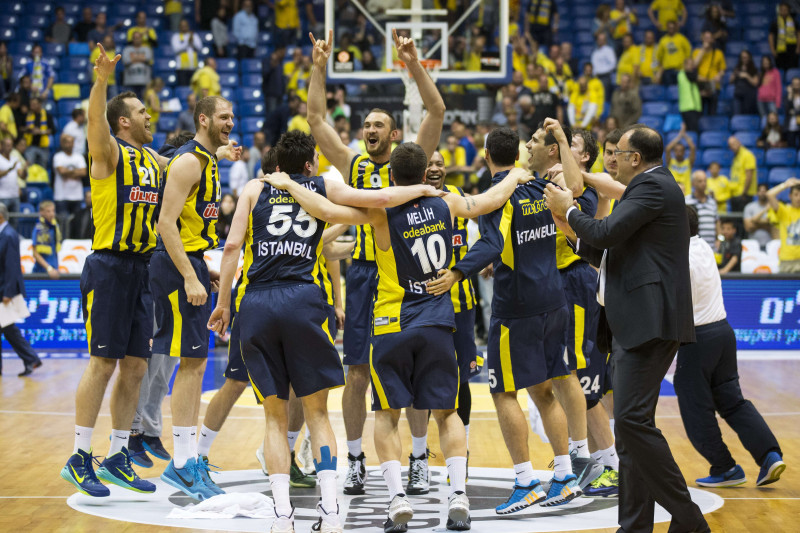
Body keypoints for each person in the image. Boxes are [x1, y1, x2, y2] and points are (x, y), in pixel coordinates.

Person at [267, 139, 532, 531]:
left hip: (392, 322)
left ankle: (396, 500)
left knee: (387, 414)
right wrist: (518, 174)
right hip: (437, 319)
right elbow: (489, 202)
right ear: (426, 175)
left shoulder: (381, 211)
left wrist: (288, 185)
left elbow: (323, 209)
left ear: (391, 176)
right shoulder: (447, 202)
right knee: (446, 412)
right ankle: (457, 495)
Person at [210, 131, 450, 532]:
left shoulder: (254, 187)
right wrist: (424, 188)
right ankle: (331, 511)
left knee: (273, 417)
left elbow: (231, 247)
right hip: (303, 299)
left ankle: (283, 515)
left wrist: (223, 304)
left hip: (257, 301)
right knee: (317, 412)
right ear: (308, 164)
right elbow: (381, 200)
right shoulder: (323, 185)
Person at [545, 125, 709, 533]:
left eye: (617, 151)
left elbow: (606, 232)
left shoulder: (652, 188)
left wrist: (569, 209)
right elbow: (608, 253)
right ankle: (635, 526)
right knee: (631, 433)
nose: (611, 158)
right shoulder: (645, 191)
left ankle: (689, 520)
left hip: (649, 323)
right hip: (635, 322)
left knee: (633, 423)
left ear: (636, 158)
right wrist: (570, 230)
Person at [306, 29, 446, 496]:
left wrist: (413, 63)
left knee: (414, 376)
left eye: (378, 125)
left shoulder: (411, 161)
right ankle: (354, 459)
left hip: (410, 281)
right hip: (367, 278)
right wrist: (318, 64)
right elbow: (316, 117)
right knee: (356, 373)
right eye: (366, 125)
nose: (370, 130)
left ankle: (420, 457)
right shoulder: (351, 164)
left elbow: (436, 110)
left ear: (394, 134)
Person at [430, 125, 584, 513]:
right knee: (544, 389)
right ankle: (564, 476)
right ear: (516, 154)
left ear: (485, 157)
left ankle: (525, 480)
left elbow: (493, 242)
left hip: (518, 307)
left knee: (502, 392)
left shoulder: (499, 194)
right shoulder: (538, 187)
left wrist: (458, 271)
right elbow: (536, 234)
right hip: (554, 299)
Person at [60, 45, 161, 499]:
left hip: (143, 269)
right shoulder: (110, 154)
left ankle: (118, 454)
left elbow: (186, 163)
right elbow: (94, 127)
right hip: (109, 266)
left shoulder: (153, 161)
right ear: (124, 120)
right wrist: (100, 81)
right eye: (141, 111)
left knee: (136, 366)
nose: (148, 116)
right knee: (103, 363)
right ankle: (80, 456)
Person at [151, 94, 239, 500]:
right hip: (174, 267)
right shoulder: (189, 162)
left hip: (193, 262)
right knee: (190, 364)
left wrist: (207, 269)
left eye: (233, 116)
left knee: (194, 361)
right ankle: (183, 464)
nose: (230, 122)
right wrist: (190, 275)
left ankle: (185, 461)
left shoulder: (208, 161)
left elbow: (188, 225)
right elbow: (165, 225)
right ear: (203, 118)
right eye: (223, 117)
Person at [676, 205, 785, 487]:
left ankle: (725, 468)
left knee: (694, 407)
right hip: (724, 332)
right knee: (733, 402)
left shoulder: (679, 259)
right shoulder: (702, 248)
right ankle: (770, 454)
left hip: (698, 339)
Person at [0, 203, 42, 377]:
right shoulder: (4, 233)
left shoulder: (8, 234)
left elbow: (12, 267)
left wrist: (8, 293)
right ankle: (31, 359)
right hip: (3, 288)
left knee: (9, 328)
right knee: (8, 328)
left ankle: (31, 358)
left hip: (5, 290)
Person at [767, 178, 800, 273]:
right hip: (787, 261)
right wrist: (785, 185)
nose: (798, 198)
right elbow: (770, 194)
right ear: (790, 196)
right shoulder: (784, 211)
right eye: (796, 194)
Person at [53, 134, 88, 216]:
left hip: (77, 196)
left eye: (71, 142)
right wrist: (76, 172)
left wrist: (68, 172)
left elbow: (84, 172)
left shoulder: (79, 157)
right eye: (67, 142)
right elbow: (61, 172)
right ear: (63, 143)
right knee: (63, 224)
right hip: (61, 196)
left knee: (76, 224)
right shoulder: (58, 156)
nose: (70, 144)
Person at [693, 31, 726, 115]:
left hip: (713, 85)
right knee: (699, 113)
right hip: (701, 86)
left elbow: (722, 69)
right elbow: (694, 65)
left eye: (709, 38)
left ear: (712, 40)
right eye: (705, 38)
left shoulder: (718, 53)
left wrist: (719, 75)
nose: (707, 40)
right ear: (702, 39)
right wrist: (703, 49)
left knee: (712, 112)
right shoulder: (697, 52)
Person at [685, 170, 718, 247]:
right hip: (694, 246)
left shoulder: (712, 202)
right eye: (700, 181)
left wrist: (718, 239)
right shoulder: (687, 200)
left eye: (705, 181)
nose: (703, 183)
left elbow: (717, 222)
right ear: (693, 183)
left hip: (711, 246)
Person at [656, 21, 691, 86]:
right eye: (669, 27)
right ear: (667, 28)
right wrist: (660, 71)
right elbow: (659, 57)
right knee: (669, 91)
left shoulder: (682, 39)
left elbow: (688, 53)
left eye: (672, 27)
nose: (671, 29)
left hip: (680, 70)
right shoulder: (663, 40)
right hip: (667, 71)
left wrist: (686, 66)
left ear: (675, 28)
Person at [23, 97, 55, 168]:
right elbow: (21, 128)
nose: (31, 106)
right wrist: (29, 129)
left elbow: (52, 130)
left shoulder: (47, 115)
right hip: (30, 145)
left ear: (39, 104)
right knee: (29, 167)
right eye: (31, 104)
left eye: (34, 104)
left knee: (43, 167)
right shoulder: (27, 115)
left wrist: (40, 132)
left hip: (43, 147)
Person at [728, 136, 758, 212]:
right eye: (730, 145)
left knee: (742, 220)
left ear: (739, 143)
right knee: (736, 221)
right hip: (735, 193)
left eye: (734, 143)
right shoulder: (735, 157)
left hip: (744, 195)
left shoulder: (747, 155)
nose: (733, 146)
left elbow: (749, 175)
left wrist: (744, 193)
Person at [31, 200, 61, 276]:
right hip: (41, 272)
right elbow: (35, 253)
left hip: (54, 269)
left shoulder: (55, 227)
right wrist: (49, 268)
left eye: (53, 211)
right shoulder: (38, 229)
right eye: (48, 211)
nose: (52, 214)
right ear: (41, 212)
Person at [171, 19, 203, 87]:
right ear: (179, 27)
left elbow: (200, 48)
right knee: (183, 88)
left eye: (185, 25)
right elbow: (176, 49)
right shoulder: (176, 36)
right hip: (181, 68)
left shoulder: (194, 35)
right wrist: (188, 42)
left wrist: (192, 41)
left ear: (188, 26)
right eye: (182, 26)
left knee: (194, 88)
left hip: (193, 67)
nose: (184, 27)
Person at [769, 3, 800, 71]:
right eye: (781, 9)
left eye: (785, 9)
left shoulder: (794, 21)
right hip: (779, 51)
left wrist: (798, 48)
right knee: (780, 69)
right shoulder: (775, 22)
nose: (783, 11)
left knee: (792, 69)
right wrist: (772, 50)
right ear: (779, 11)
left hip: (792, 50)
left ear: (789, 10)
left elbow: (798, 34)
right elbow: (771, 36)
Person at [665, 125, 696, 193]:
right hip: (673, 194)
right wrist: (679, 136)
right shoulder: (670, 161)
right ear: (674, 152)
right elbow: (667, 149)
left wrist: (684, 135)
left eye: (681, 150)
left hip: (687, 195)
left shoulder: (688, 162)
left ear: (684, 152)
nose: (679, 152)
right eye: (676, 150)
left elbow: (693, 148)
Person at [743, 184, 774, 248]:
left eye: (764, 191)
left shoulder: (773, 207)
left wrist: (756, 222)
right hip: (753, 245)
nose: (762, 193)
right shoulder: (749, 207)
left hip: (770, 245)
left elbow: (773, 226)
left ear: (768, 193)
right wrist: (766, 223)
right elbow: (748, 227)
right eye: (760, 191)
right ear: (757, 193)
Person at [730, 50, 759, 116]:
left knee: (747, 115)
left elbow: (755, 83)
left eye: (746, 57)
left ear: (749, 58)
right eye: (742, 57)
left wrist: (747, 76)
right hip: (738, 95)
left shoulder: (753, 69)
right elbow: (730, 81)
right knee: (736, 115)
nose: (744, 59)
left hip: (749, 96)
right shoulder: (737, 68)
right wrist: (735, 74)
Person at [677, 58, 702, 133]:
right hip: (687, 107)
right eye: (689, 64)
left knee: (694, 131)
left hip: (696, 107)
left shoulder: (693, 77)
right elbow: (694, 77)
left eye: (692, 64)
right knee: (692, 132)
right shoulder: (682, 74)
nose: (691, 66)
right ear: (684, 65)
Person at [0, 138, 21, 214]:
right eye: (8, 145)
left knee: (15, 222)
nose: (10, 147)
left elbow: (21, 175)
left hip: (15, 196)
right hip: (2, 196)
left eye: (11, 145)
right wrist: (10, 169)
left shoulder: (14, 159)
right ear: (2, 146)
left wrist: (25, 170)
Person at [785, 77, 800, 148]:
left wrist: (795, 111)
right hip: (791, 126)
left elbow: (793, 111)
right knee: (791, 147)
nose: (796, 85)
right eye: (794, 84)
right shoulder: (788, 96)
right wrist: (790, 94)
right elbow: (787, 110)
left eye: (798, 84)